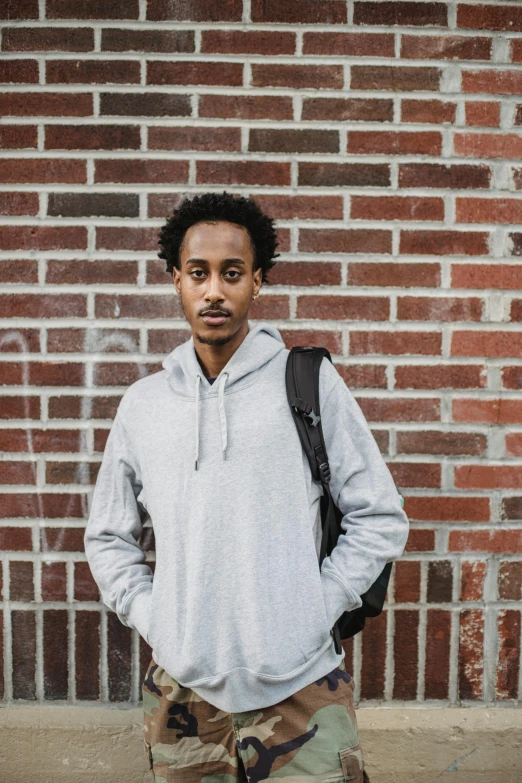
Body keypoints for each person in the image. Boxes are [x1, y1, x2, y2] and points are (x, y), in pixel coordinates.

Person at [84, 191, 409, 783]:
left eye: (232, 274)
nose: (214, 291)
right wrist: (155, 616)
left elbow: (380, 515)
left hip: (303, 689)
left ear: (257, 282)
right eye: (199, 273)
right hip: (183, 695)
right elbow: (108, 535)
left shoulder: (309, 383)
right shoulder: (144, 405)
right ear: (176, 280)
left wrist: (317, 606)